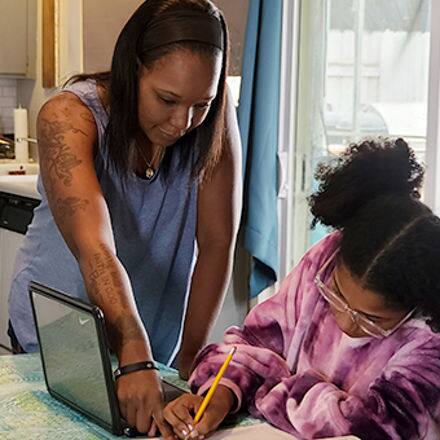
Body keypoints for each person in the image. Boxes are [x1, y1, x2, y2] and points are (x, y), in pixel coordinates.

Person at [8, 0, 241, 436]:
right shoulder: (68, 117)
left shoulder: (213, 121)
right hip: (62, 336)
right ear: (132, 70)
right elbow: (95, 245)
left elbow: (216, 243)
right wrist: (133, 352)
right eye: (167, 100)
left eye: (200, 105)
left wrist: (191, 366)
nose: (181, 123)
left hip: (154, 343)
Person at [164, 139, 440, 440]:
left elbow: (375, 428)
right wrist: (221, 393)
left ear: (413, 307)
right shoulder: (324, 260)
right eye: (337, 297)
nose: (346, 323)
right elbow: (254, 344)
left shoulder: (430, 339)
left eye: (370, 320)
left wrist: (266, 385)